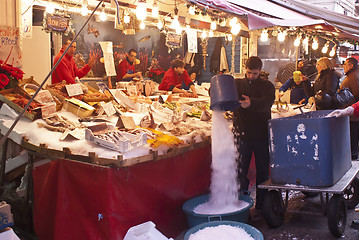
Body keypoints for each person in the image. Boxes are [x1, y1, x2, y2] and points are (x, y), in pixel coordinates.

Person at [232, 56, 275, 215]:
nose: (251, 76)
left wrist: (252, 103)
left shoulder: (267, 86)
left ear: (260, 71)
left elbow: (267, 102)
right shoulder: (236, 83)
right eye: (249, 73)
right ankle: (241, 205)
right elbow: (219, 91)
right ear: (245, 69)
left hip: (261, 134)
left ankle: (262, 205)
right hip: (241, 133)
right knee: (240, 169)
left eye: (255, 73)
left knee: (263, 170)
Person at [341, 57, 359, 159]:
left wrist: (351, 107)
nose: (343, 66)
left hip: (355, 115)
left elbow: (356, 94)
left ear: (351, 65)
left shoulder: (353, 76)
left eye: (345, 64)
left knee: (353, 135)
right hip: (353, 111)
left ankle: (353, 154)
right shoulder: (353, 74)